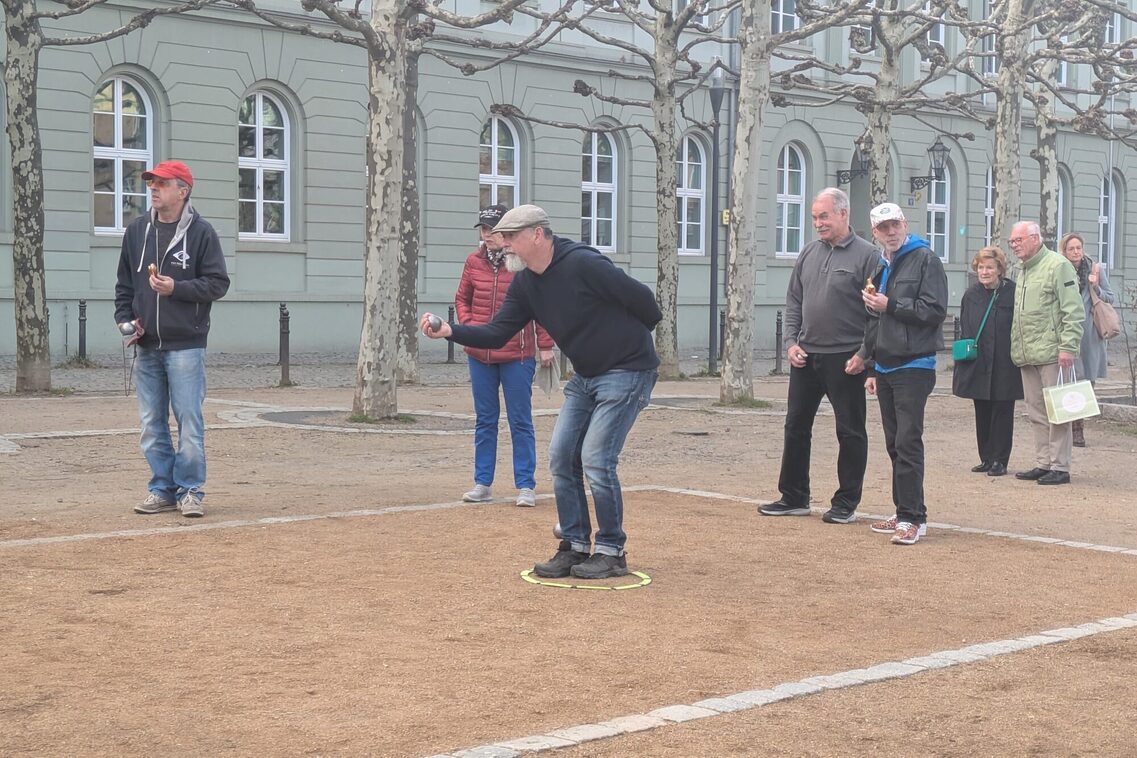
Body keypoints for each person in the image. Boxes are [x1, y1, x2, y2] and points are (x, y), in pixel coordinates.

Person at [421, 204, 661, 580]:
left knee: (596, 458)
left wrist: (625, 341)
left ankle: (612, 551)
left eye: (510, 238)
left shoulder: (583, 263)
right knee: (562, 456)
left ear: (537, 234)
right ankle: (575, 546)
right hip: (585, 376)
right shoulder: (527, 283)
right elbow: (498, 331)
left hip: (627, 369)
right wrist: (451, 331)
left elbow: (644, 302)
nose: (503, 247)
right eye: (501, 240)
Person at [114, 160, 230, 518]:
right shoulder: (136, 231)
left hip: (186, 345)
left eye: (162, 184)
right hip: (146, 345)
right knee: (151, 424)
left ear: (183, 191)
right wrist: (124, 320)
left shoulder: (201, 233)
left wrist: (175, 288)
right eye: (151, 182)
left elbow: (217, 283)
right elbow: (124, 285)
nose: (153, 188)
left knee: (189, 421)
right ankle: (162, 488)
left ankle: (191, 489)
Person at [760, 187, 879, 524]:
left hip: (847, 357)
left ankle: (846, 503)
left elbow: (875, 312)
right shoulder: (809, 253)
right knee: (795, 426)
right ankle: (794, 496)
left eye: (823, 216)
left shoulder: (868, 256)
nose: (818, 223)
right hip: (806, 355)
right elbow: (794, 300)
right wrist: (792, 343)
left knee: (850, 431)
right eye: (814, 217)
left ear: (843, 213)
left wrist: (865, 355)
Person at [858, 203, 947, 545]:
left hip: (915, 363)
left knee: (908, 442)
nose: (890, 232)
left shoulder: (925, 259)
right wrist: (869, 366)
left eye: (895, 225)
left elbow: (935, 310)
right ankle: (904, 508)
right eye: (883, 227)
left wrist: (890, 304)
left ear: (905, 225)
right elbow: (872, 319)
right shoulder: (881, 263)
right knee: (895, 443)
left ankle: (914, 518)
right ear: (875, 232)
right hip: (885, 365)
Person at [456, 204, 556, 507]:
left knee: (520, 419)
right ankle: (482, 482)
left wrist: (545, 344)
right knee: (485, 419)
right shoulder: (473, 261)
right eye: (484, 230)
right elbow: (463, 298)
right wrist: (471, 326)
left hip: (517, 353)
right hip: (480, 353)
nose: (487, 235)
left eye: (493, 230)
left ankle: (526, 485)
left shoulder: (523, 263)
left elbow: (541, 305)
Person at [1008, 221, 1083, 485]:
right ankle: (1043, 462)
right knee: (1036, 412)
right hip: (1028, 352)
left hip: (1053, 352)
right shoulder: (1024, 269)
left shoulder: (1057, 265)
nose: (1014, 246)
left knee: (1057, 411)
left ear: (1035, 238)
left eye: (1018, 240)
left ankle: (1060, 466)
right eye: (1012, 242)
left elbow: (1073, 310)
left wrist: (1068, 346)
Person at [952, 246, 1023, 478]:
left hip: (1005, 361)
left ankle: (1000, 460)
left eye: (989, 267)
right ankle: (986, 457)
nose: (984, 271)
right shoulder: (971, 294)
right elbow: (965, 326)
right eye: (981, 267)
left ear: (999, 269)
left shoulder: (1012, 292)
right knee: (981, 408)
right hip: (979, 361)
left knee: (1002, 409)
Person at [1059, 232, 1115, 448]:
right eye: (1071, 248)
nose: (1076, 252)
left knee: (1085, 382)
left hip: (1090, 335)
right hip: (1067, 332)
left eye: (1078, 248)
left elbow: (1110, 297)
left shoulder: (1094, 270)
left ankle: (1078, 429)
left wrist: (1096, 286)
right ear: (1064, 251)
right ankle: (1066, 427)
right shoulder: (1059, 270)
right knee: (1067, 380)